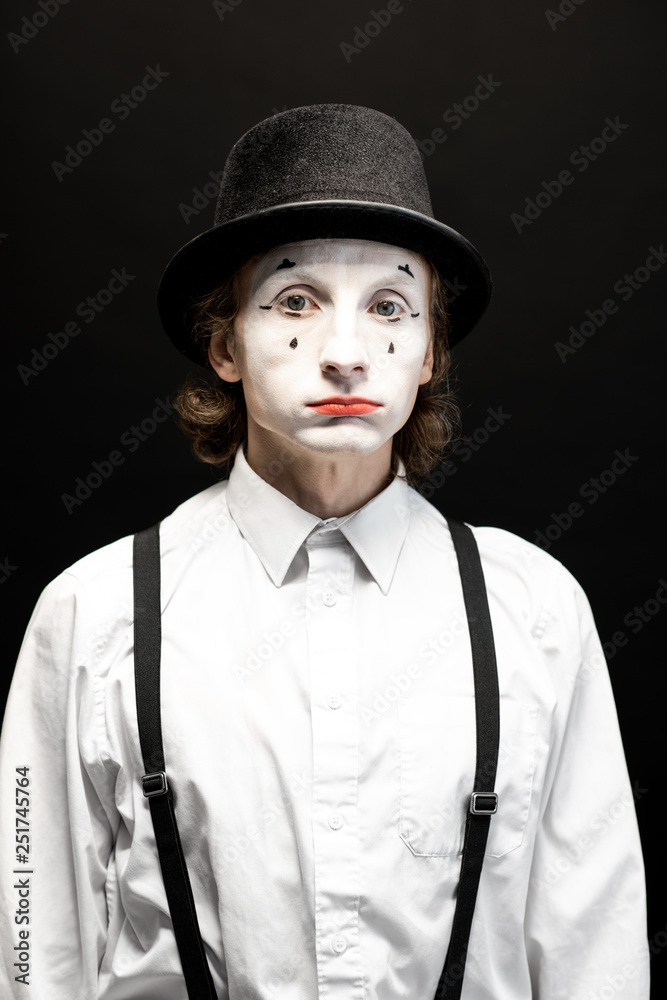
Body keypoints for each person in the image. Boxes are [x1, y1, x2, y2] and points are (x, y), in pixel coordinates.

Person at [0, 103, 649, 999]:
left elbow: (595, 953)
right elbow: (32, 950)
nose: (345, 353)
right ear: (224, 342)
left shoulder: (535, 611)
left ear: (428, 352)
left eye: (388, 305)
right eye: (295, 300)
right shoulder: (92, 613)